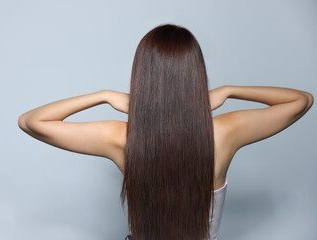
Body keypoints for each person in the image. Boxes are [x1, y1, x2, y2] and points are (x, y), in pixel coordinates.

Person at [18, 24, 314, 240]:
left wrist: (105, 95)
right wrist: (228, 91)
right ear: (195, 75)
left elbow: (31, 122)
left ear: (143, 77)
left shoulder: (120, 138)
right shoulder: (226, 132)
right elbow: (302, 101)